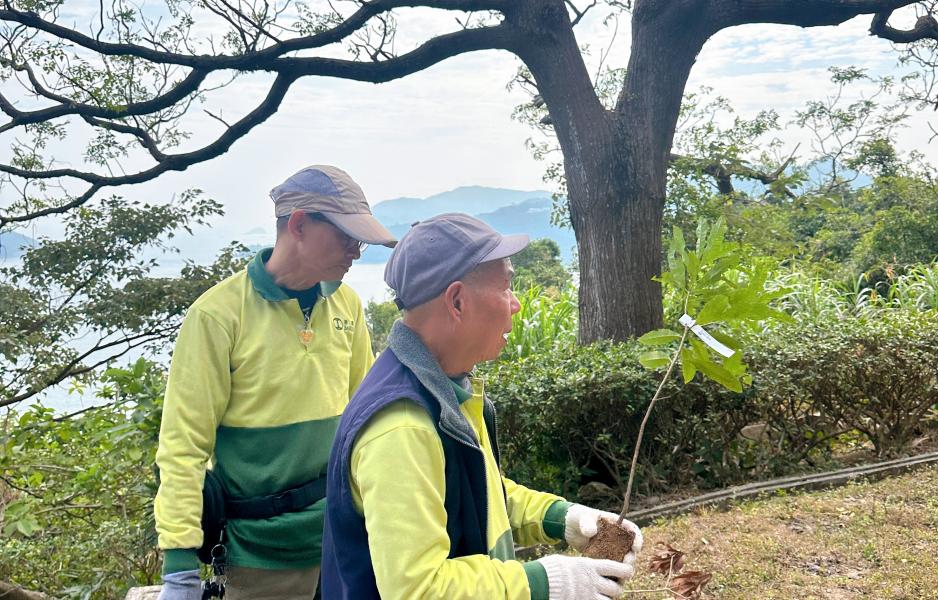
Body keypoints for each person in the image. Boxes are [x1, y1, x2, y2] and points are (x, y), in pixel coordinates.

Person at [322, 213, 643, 599]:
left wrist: (562, 519)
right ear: (457, 301)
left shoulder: (445, 388)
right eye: (506, 286)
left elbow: (475, 494)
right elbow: (417, 589)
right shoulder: (403, 425)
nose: (517, 304)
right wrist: (543, 582)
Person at [154, 165, 396, 599]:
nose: (356, 251)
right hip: (258, 555)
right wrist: (179, 566)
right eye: (346, 236)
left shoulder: (347, 303)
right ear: (300, 224)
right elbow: (182, 447)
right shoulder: (217, 316)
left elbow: (369, 419)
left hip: (341, 540)